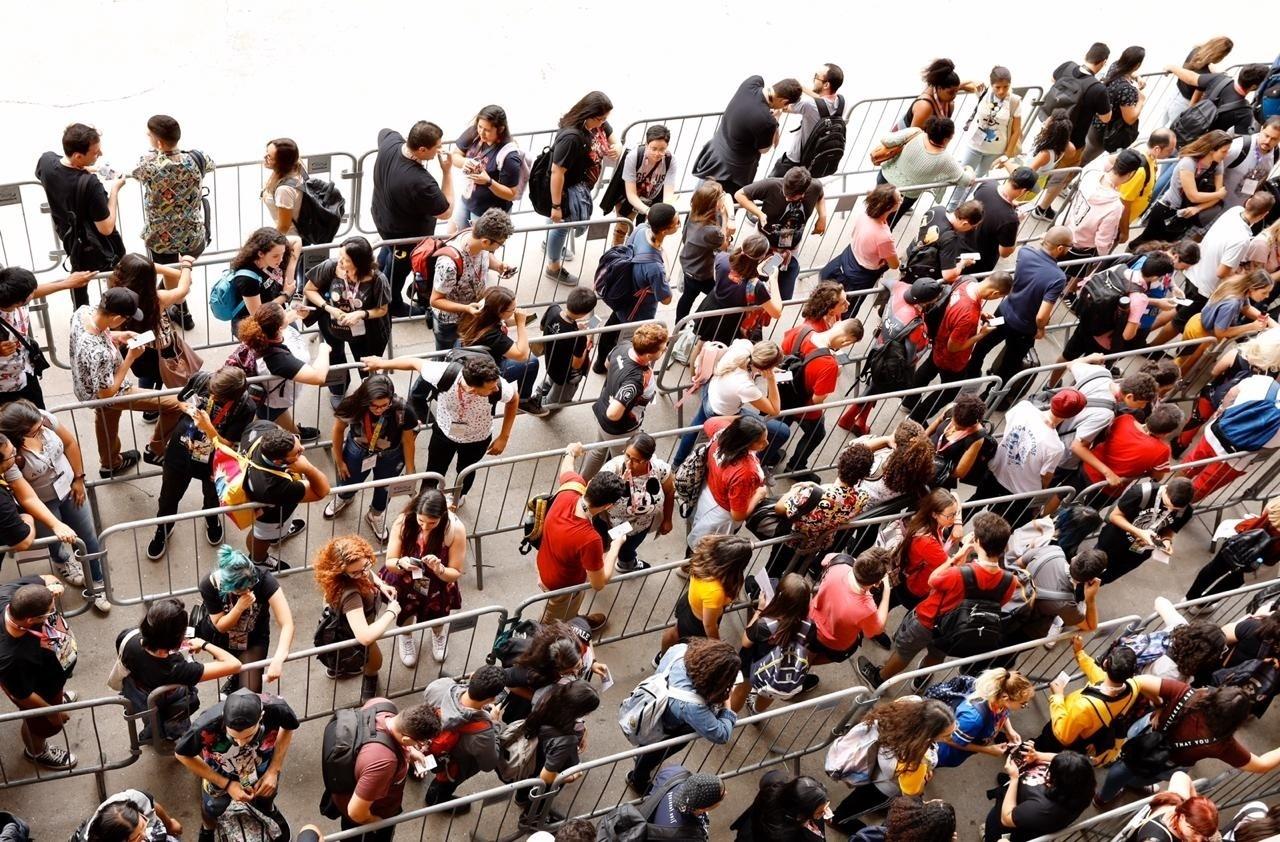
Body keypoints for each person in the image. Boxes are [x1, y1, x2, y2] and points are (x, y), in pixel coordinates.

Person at [860, 511, 1019, 686]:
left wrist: (958, 556)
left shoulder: (960, 573)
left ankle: (879, 678)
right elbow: (999, 603)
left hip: (927, 620)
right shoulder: (1010, 580)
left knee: (903, 652)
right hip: (955, 628)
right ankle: (920, 681)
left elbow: (933, 579)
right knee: (936, 655)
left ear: (978, 541)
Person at [1094, 677, 1280, 805]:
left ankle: (1104, 797)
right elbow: (1261, 765)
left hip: (1143, 735)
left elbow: (1139, 681)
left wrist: (1158, 705)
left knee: (1124, 763)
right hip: (1163, 763)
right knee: (1140, 776)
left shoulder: (1186, 693)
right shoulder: (1222, 745)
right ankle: (1130, 785)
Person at [363, 353, 517, 504]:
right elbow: (414, 362)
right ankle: (426, 499)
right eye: (491, 388)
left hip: (477, 438)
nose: (496, 389)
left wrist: (504, 436)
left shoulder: (500, 386)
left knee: (466, 471)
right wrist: (381, 363)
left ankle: (459, 495)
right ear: (473, 388)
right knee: (434, 470)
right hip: (443, 433)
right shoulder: (444, 374)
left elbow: (513, 399)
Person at [0, 400, 109, 612]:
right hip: (42, 502)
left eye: (41, 426)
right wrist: (54, 523)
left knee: (88, 537)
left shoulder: (43, 419)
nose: (41, 430)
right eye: (35, 431)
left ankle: (97, 582)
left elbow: (70, 443)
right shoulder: (11, 455)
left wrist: (78, 479)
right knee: (54, 537)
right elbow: (27, 497)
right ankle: (62, 562)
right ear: (18, 434)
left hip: (69, 489)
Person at [70, 287, 186, 477]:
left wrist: (117, 336)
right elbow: (107, 394)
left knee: (106, 417)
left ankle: (110, 463)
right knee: (176, 403)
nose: (125, 322)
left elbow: (94, 333)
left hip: (86, 384)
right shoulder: (99, 353)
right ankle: (156, 450)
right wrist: (131, 357)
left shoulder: (83, 312)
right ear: (116, 318)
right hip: (110, 390)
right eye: (125, 319)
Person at [147, 367, 255, 558]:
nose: (211, 394)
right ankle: (163, 528)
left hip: (214, 457)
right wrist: (188, 409)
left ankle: (211, 518)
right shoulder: (202, 378)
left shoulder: (245, 406)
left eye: (217, 396)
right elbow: (180, 401)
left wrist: (208, 426)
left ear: (232, 397)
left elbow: (228, 443)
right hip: (182, 448)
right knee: (168, 497)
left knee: (213, 495)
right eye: (211, 390)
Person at [173, 688, 298, 842]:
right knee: (212, 807)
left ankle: (268, 815)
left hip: (263, 771)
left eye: (249, 736)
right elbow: (181, 755)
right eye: (233, 738)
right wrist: (227, 785)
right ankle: (208, 829)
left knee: (266, 798)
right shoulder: (205, 725)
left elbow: (289, 726)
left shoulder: (277, 708)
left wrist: (274, 770)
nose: (240, 744)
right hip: (219, 775)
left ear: (261, 717)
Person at [117, 597, 242, 741]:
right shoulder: (176, 668)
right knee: (181, 716)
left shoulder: (128, 638)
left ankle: (154, 732)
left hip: (138, 695)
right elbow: (234, 664)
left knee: (151, 718)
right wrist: (204, 644)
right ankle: (170, 734)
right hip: (168, 702)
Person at [131, 114, 212, 330]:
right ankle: (179, 310)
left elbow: (135, 173)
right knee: (179, 271)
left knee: (168, 272)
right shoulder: (196, 158)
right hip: (193, 233)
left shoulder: (149, 164)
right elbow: (211, 164)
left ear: (158, 142)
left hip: (162, 236)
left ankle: (179, 312)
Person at [829, 696, 957, 833]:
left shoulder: (910, 703)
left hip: (869, 763)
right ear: (929, 734)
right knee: (857, 804)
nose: (951, 737)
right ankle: (838, 820)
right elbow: (911, 793)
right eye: (946, 735)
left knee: (858, 799)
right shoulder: (917, 760)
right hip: (883, 788)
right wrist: (924, 777)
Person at [627, 638, 740, 793]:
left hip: (649, 709)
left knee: (647, 746)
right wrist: (727, 702)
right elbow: (721, 734)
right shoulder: (693, 706)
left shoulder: (680, 650)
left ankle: (642, 755)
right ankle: (637, 779)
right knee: (653, 754)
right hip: (666, 730)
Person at [535, 441, 627, 627]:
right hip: (563, 587)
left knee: (565, 612)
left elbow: (566, 468)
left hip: (544, 564)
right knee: (552, 624)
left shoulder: (572, 487)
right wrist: (616, 545)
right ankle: (557, 633)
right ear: (609, 506)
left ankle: (575, 617)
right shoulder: (590, 539)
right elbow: (599, 582)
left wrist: (571, 452)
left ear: (591, 482)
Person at [966, 227, 1073, 385]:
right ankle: (991, 395)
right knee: (1009, 364)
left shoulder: (1025, 252)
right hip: (1024, 328)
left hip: (1004, 312)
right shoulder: (1058, 277)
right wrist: (1041, 328)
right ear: (1060, 248)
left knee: (982, 346)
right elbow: (1042, 316)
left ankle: (970, 375)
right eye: (1069, 247)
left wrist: (1044, 238)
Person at [839, 279, 945, 437]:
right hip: (892, 364)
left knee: (874, 387)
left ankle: (857, 420)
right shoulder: (916, 325)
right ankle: (849, 420)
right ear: (927, 300)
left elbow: (887, 281)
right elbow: (912, 356)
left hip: (879, 349)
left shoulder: (900, 289)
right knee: (880, 389)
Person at [326, 698, 441, 842]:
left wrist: (410, 751)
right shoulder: (384, 763)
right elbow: (355, 812)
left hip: (355, 790)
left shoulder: (383, 705)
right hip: (371, 815)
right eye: (422, 742)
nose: (423, 745)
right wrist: (377, 822)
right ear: (405, 739)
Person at [35, 123, 125, 306]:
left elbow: (56, 170)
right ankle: (113, 314)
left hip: (70, 238)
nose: (100, 154)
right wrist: (115, 190)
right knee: (116, 273)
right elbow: (106, 228)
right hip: (97, 244)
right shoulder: (91, 185)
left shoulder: (47, 162)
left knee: (78, 279)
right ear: (78, 156)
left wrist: (81, 167)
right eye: (95, 152)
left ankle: (79, 316)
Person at [371, 121, 453, 317]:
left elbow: (383, 130)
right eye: (437, 147)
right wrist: (447, 172)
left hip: (384, 219)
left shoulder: (391, 142)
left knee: (386, 253)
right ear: (422, 149)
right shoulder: (420, 181)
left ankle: (376, 281)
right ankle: (392, 303)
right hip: (406, 237)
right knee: (398, 270)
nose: (440, 151)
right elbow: (446, 212)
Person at [908, 271, 1012, 425]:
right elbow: (954, 347)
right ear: (995, 292)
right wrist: (980, 334)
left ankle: (908, 402)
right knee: (948, 392)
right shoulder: (968, 315)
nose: (996, 299)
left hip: (938, 343)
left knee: (928, 369)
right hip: (952, 360)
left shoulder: (967, 281)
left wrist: (980, 314)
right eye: (998, 297)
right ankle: (917, 417)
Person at [324, 374, 419, 543]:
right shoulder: (353, 405)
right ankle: (344, 497)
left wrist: (410, 470)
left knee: (384, 489)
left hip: (391, 454)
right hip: (358, 450)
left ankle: (375, 514)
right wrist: (339, 461)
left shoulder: (401, 409)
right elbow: (338, 431)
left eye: (384, 405)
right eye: (374, 406)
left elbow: (408, 439)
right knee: (348, 480)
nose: (379, 410)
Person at [972, 390, 1086, 526]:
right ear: (1071, 416)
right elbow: (1046, 477)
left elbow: (1010, 420)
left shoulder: (1024, 407)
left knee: (974, 503)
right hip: (1020, 492)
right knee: (998, 526)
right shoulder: (1055, 446)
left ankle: (949, 530)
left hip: (996, 470)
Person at [380, 489, 466, 666]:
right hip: (405, 580)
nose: (425, 527)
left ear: (443, 516)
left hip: (437, 584)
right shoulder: (403, 522)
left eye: (432, 522)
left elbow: (455, 572)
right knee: (405, 611)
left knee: (438, 613)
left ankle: (438, 634)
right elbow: (390, 561)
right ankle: (406, 636)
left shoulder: (455, 529)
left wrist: (440, 569)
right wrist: (401, 564)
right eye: (421, 520)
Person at [0, 575, 78, 768]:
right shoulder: (11, 658)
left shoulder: (11, 594)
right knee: (38, 725)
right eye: (49, 612)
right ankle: (36, 751)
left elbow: (45, 578)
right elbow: (23, 695)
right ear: (30, 620)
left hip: (48, 673)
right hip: (36, 689)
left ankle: (58, 697)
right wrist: (52, 713)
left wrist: (54, 585)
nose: (52, 614)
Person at [1028, 44, 1113, 222]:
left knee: (1037, 163)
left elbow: (1053, 80)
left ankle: (1023, 194)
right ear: (1103, 62)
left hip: (1048, 127)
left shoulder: (1067, 66)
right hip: (1072, 140)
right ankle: (1042, 209)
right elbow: (1106, 118)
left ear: (1086, 55)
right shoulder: (1097, 89)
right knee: (1061, 177)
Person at [303, 236, 392, 405]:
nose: (340, 262)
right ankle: (338, 390)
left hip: (367, 333)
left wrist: (361, 314)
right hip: (333, 326)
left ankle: (367, 392)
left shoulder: (378, 279)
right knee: (335, 357)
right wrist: (329, 308)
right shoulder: (331, 266)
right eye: (340, 256)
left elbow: (382, 310)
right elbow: (309, 289)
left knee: (366, 364)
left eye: (346, 260)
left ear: (360, 263)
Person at [193, 545, 293, 694]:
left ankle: (238, 679)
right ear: (226, 586)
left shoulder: (264, 580)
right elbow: (220, 626)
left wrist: (278, 659)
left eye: (250, 586)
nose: (247, 592)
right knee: (235, 668)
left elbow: (287, 623)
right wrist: (239, 607)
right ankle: (236, 678)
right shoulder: (209, 584)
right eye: (240, 591)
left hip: (253, 639)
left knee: (250, 692)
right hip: (222, 637)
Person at [672, 339, 786, 470]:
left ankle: (677, 464)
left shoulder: (744, 347)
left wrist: (764, 368)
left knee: (693, 429)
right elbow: (775, 410)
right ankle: (757, 465)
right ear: (766, 368)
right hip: (721, 413)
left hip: (710, 393)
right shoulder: (745, 386)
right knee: (782, 431)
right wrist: (771, 379)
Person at [313, 535, 402, 703]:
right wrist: (391, 612)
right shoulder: (351, 595)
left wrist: (381, 585)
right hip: (353, 632)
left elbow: (367, 574)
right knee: (375, 663)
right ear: (341, 573)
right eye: (355, 572)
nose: (364, 573)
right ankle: (368, 678)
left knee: (342, 655)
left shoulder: (355, 574)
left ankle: (338, 669)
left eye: (366, 565)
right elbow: (365, 637)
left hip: (344, 626)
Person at [544, 92, 620, 285]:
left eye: (605, 119)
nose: (603, 122)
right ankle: (553, 266)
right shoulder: (572, 137)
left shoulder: (595, 124)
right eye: (600, 118)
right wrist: (556, 205)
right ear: (589, 113)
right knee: (561, 227)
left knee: (557, 226)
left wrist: (617, 147)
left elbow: (614, 139)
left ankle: (550, 242)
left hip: (579, 187)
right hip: (567, 191)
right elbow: (557, 172)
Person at [770, 437, 874, 574]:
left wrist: (794, 490)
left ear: (840, 464)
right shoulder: (861, 498)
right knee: (795, 571)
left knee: (774, 569)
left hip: (792, 540)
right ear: (865, 475)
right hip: (817, 544)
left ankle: (759, 590)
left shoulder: (812, 493)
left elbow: (779, 508)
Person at [237, 421, 331, 566]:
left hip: (268, 500)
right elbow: (322, 490)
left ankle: (280, 534)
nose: (303, 449)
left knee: (270, 533)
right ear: (278, 460)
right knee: (262, 536)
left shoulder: (260, 426)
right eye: (297, 453)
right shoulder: (274, 487)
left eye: (296, 439)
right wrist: (307, 468)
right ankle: (258, 560)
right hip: (271, 516)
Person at [594, 203, 679, 363]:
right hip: (638, 310)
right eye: (676, 223)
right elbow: (666, 299)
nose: (679, 224)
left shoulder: (640, 229)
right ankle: (613, 367)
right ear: (664, 230)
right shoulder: (655, 267)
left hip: (622, 293)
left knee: (612, 327)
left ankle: (599, 363)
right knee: (628, 343)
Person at [778, 315, 863, 473]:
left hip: (782, 392)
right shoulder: (829, 364)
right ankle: (796, 467)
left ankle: (771, 455)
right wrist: (836, 374)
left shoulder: (801, 330)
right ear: (846, 341)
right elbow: (818, 399)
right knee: (816, 434)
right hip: (805, 407)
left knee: (780, 424)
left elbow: (782, 351)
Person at [108, 253, 196, 402]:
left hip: (135, 350)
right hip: (161, 350)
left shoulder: (114, 296)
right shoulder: (157, 299)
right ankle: (160, 402)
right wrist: (186, 265)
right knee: (163, 374)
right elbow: (183, 289)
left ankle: (149, 408)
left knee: (145, 378)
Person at [0, 266, 92, 409]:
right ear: (19, 302)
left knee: (40, 416)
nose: (35, 294)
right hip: (5, 389)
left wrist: (66, 283)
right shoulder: (14, 299)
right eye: (31, 293)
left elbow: (32, 292)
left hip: (27, 374)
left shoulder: (10, 296)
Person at [692, 76, 801, 196]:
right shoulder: (767, 121)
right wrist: (776, 119)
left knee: (699, 200)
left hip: (714, 154)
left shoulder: (752, 82)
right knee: (718, 209)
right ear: (784, 101)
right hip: (732, 173)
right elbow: (764, 150)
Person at [236, 302, 329, 441]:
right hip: (271, 399)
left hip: (277, 397)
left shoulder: (263, 332)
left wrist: (295, 313)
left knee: (279, 410)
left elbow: (287, 318)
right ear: (279, 327)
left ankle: (295, 432)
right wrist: (324, 350)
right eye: (284, 312)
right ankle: (251, 444)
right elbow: (319, 377)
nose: (288, 312)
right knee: (261, 423)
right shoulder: (278, 359)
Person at [1180, 371, 1280, 500]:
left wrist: (1221, 410)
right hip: (1238, 459)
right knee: (1203, 486)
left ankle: (1166, 494)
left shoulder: (1262, 381)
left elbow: (1232, 393)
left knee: (1188, 466)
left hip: (1215, 435)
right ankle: (1175, 512)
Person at [427, 208, 516, 350]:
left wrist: (499, 266)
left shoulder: (477, 240)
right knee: (446, 358)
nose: (500, 247)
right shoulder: (448, 264)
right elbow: (435, 300)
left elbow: (485, 255)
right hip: (450, 323)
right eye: (500, 244)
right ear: (486, 241)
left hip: (473, 314)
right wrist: (466, 308)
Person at [1057, 253, 1175, 361]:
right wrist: (1136, 325)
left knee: (1066, 356)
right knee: (1090, 371)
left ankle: (1050, 384)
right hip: (1104, 342)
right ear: (1155, 277)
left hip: (1086, 323)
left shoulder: (1120, 268)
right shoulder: (1140, 299)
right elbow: (1127, 335)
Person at [734, 167, 828, 300]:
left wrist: (822, 216)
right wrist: (759, 213)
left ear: (803, 192)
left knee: (783, 297)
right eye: (785, 193)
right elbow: (739, 194)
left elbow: (820, 195)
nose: (787, 197)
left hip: (790, 249)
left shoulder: (814, 186)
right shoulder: (772, 185)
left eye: (792, 196)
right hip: (764, 246)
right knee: (752, 289)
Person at [1131, 130, 1233, 248]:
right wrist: (1218, 195)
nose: (1227, 155)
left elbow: (1217, 196)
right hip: (1168, 210)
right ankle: (1120, 262)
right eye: (1224, 151)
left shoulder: (1217, 164)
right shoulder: (1188, 163)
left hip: (1187, 214)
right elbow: (1194, 196)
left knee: (1165, 247)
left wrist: (1197, 208)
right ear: (1211, 149)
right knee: (1145, 243)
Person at [420, 665, 504, 806]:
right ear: (491, 699)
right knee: (442, 788)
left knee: (419, 760)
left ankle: (413, 770)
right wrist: (495, 723)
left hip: (422, 744)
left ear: (472, 676)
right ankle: (435, 800)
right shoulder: (482, 733)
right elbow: (489, 764)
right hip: (451, 767)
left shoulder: (439, 686)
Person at [732, 572, 815, 709]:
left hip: (754, 662)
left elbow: (745, 641)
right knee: (768, 692)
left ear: (780, 597)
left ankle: (730, 716)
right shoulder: (809, 627)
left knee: (742, 690)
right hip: (777, 670)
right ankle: (757, 711)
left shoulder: (765, 626)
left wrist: (759, 610)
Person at [687, 415, 769, 549]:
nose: (766, 444)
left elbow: (710, 422)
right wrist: (759, 494)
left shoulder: (721, 434)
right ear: (745, 443)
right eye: (760, 441)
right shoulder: (744, 473)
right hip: (721, 517)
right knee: (706, 552)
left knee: (698, 544)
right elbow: (737, 515)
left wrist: (742, 422)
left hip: (708, 494)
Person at [874, 117, 973, 228]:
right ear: (946, 139)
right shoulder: (946, 159)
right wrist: (969, 169)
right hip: (904, 195)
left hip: (885, 179)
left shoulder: (915, 133)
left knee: (873, 212)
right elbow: (967, 181)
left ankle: (859, 240)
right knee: (887, 225)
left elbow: (886, 139)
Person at [597, 432, 675, 572]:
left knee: (629, 548)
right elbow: (595, 499)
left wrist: (668, 519)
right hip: (614, 527)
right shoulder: (611, 470)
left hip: (642, 526)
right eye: (627, 456)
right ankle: (626, 564)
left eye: (637, 460)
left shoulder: (659, 469)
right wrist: (620, 482)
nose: (629, 463)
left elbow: (669, 492)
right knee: (622, 550)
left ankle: (626, 562)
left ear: (648, 459)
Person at [660, 534, 751, 652]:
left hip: (688, 604)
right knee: (690, 651)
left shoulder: (703, 560)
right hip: (697, 623)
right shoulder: (716, 591)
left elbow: (709, 539)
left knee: (675, 632)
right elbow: (709, 625)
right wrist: (717, 644)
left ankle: (662, 657)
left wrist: (743, 544)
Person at [1096, 476, 1194, 584]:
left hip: (1138, 553)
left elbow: (1170, 529)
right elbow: (1114, 516)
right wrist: (1139, 532)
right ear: (1165, 489)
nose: (1170, 510)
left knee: (1106, 578)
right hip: (1112, 542)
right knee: (1091, 568)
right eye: (1166, 505)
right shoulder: (1141, 492)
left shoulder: (1186, 511)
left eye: (1175, 510)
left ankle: (1080, 596)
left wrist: (1166, 541)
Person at [1076, 404, 1184, 502]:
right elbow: (1157, 476)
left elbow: (1107, 435)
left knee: (1067, 496)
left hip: (1088, 467)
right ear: (1167, 433)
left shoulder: (1125, 419)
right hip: (1107, 488)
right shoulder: (1162, 450)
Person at [818, 184, 901, 309]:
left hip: (846, 258)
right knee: (844, 310)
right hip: (860, 276)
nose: (901, 200)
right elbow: (894, 265)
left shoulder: (864, 215)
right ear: (890, 206)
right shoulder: (884, 236)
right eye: (899, 199)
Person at [458, 287, 542, 410]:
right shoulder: (491, 334)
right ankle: (523, 401)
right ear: (499, 312)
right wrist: (521, 325)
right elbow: (522, 354)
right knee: (532, 362)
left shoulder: (480, 312)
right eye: (512, 310)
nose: (514, 312)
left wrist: (521, 319)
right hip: (488, 371)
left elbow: (504, 322)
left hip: (476, 364)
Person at [691, 233, 780, 348]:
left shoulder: (722, 258)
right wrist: (774, 279)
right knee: (721, 351)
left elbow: (715, 278)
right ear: (762, 257)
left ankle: (695, 366)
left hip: (710, 307)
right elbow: (776, 313)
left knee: (701, 345)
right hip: (731, 321)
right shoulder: (756, 286)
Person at [983, 751, 1095, 842]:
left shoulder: (1044, 809)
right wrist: (1037, 754)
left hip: (1012, 825)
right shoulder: (1082, 782)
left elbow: (1006, 818)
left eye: (1050, 772)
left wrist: (1014, 779)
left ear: (1059, 784)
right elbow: (1061, 759)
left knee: (993, 831)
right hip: (1020, 803)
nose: (1047, 768)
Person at [805, 548, 890, 665]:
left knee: (808, 652)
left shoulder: (839, 563)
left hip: (811, 621)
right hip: (834, 643)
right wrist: (887, 592)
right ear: (877, 583)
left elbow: (825, 559)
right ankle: (804, 668)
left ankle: (802, 667)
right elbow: (876, 629)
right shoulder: (867, 608)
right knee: (831, 655)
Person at [935, 668, 1034, 767]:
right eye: (1023, 704)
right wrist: (988, 750)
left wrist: (1010, 730)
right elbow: (950, 740)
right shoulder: (973, 719)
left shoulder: (998, 700)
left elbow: (1003, 713)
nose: (1024, 706)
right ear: (1005, 698)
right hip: (942, 753)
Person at [1004, 545, 1105, 643]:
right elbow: (1091, 626)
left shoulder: (1053, 551)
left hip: (1005, 599)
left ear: (1076, 557)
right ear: (1090, 580)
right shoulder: (1066, 604)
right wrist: (1090, 598)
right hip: (1023, 630)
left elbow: (1019, 563)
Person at [1063, 149, 1145, 266]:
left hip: (1064, 233)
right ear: (1130, 174)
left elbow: (1105, 161)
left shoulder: (1091, 174)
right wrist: (1101, 257)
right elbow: (1102, 241)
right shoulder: (1115, 206)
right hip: (1081, 251)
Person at [448, 105, 523, 228]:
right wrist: (465, 162)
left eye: (487, 130)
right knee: (453, 237)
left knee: (478, 245)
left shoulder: (509, 156)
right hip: (467, 199)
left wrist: (488, 182)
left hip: (489, 212)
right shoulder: (475, 133)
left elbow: (511, 194)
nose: (481, 133)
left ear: (500, 129)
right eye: (480, 126)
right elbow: (455, 155)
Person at [603, 124, 678, 246]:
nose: (657, 153)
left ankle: (638, 257)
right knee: (622, 229)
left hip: (653, 198)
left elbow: (668, 192)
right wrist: (648, 211)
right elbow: (631, 194)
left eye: (662, 149)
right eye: (653, 148)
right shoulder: (634, 156)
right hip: (628, 199)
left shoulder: (670, 160)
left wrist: (666, 212)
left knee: (648, 233)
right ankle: (616, 257)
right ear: (646, 144)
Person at [893, 489, 963, 614]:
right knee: (915, 618)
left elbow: (955, 495)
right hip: (917, 588)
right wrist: (968, 547)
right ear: (935, 514)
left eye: (955, 513)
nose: (953, 518)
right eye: (950, 515)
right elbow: (952, 565)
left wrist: (958, 523)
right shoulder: (927, 542)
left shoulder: (926, 521)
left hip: (908, 577)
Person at [222, 227, 302, 334]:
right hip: (255, 326)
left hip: (276, 314)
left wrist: (289, 276)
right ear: (260, 253)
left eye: (282, 254)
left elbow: (297, 241)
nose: (281, 259)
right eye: (275, 256)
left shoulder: (270, 259)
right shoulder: (247, 278)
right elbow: (259, 313)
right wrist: (285, 295)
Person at [772, 62, 845, 177]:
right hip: (814, 161)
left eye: (816, 77)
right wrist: (802, 88)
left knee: (770, 188)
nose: (813, 79)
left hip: (795, 161)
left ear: (826, 85)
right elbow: (822, 100)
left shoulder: (809, 105)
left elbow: (783, 105)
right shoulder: (841, 103)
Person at [676, 180, 732, 323]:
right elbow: (724, 244)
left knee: (687, 297)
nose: (724, 198)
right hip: (702, 274)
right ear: (713, 203)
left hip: (689, 267)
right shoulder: (710, 231)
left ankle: (679, 326)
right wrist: (727, 217)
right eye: (721, 196)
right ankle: (698, 324)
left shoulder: (694, 213)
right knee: (721, 297)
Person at [1164, 62, 1272, 135]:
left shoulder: (1219, 79)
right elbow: (1240, 141)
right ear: (1253, 86)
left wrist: (1172, 67)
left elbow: (1192, 78)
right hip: (1199, 146)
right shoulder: (1245, 112)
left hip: (1183, 129)